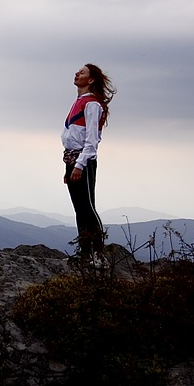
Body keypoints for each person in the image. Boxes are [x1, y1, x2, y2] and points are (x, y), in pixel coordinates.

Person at [61, 63, 116, 267]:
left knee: (88, 208)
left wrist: (79, 165)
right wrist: (69, 167)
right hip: (73, 159)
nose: (77, 73)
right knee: (80, 209)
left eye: (82, 72)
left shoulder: (92, 104)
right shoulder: (81, 101)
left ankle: (99, 256)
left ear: (91, 80)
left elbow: (92, 140)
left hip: (82, 161)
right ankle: (85, 254)